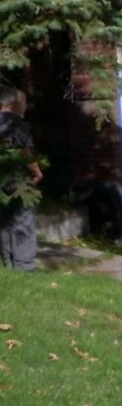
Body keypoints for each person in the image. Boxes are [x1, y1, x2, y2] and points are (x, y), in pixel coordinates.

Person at [0, 86, 43, 270]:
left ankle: (9, 262)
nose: (26, 106)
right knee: (23, 220)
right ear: (14, 103)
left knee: (4, 222)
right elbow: (23, 151)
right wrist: (36, 172)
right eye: (24, 102)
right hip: (18, 179)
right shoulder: (16, 123)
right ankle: (25, 265)